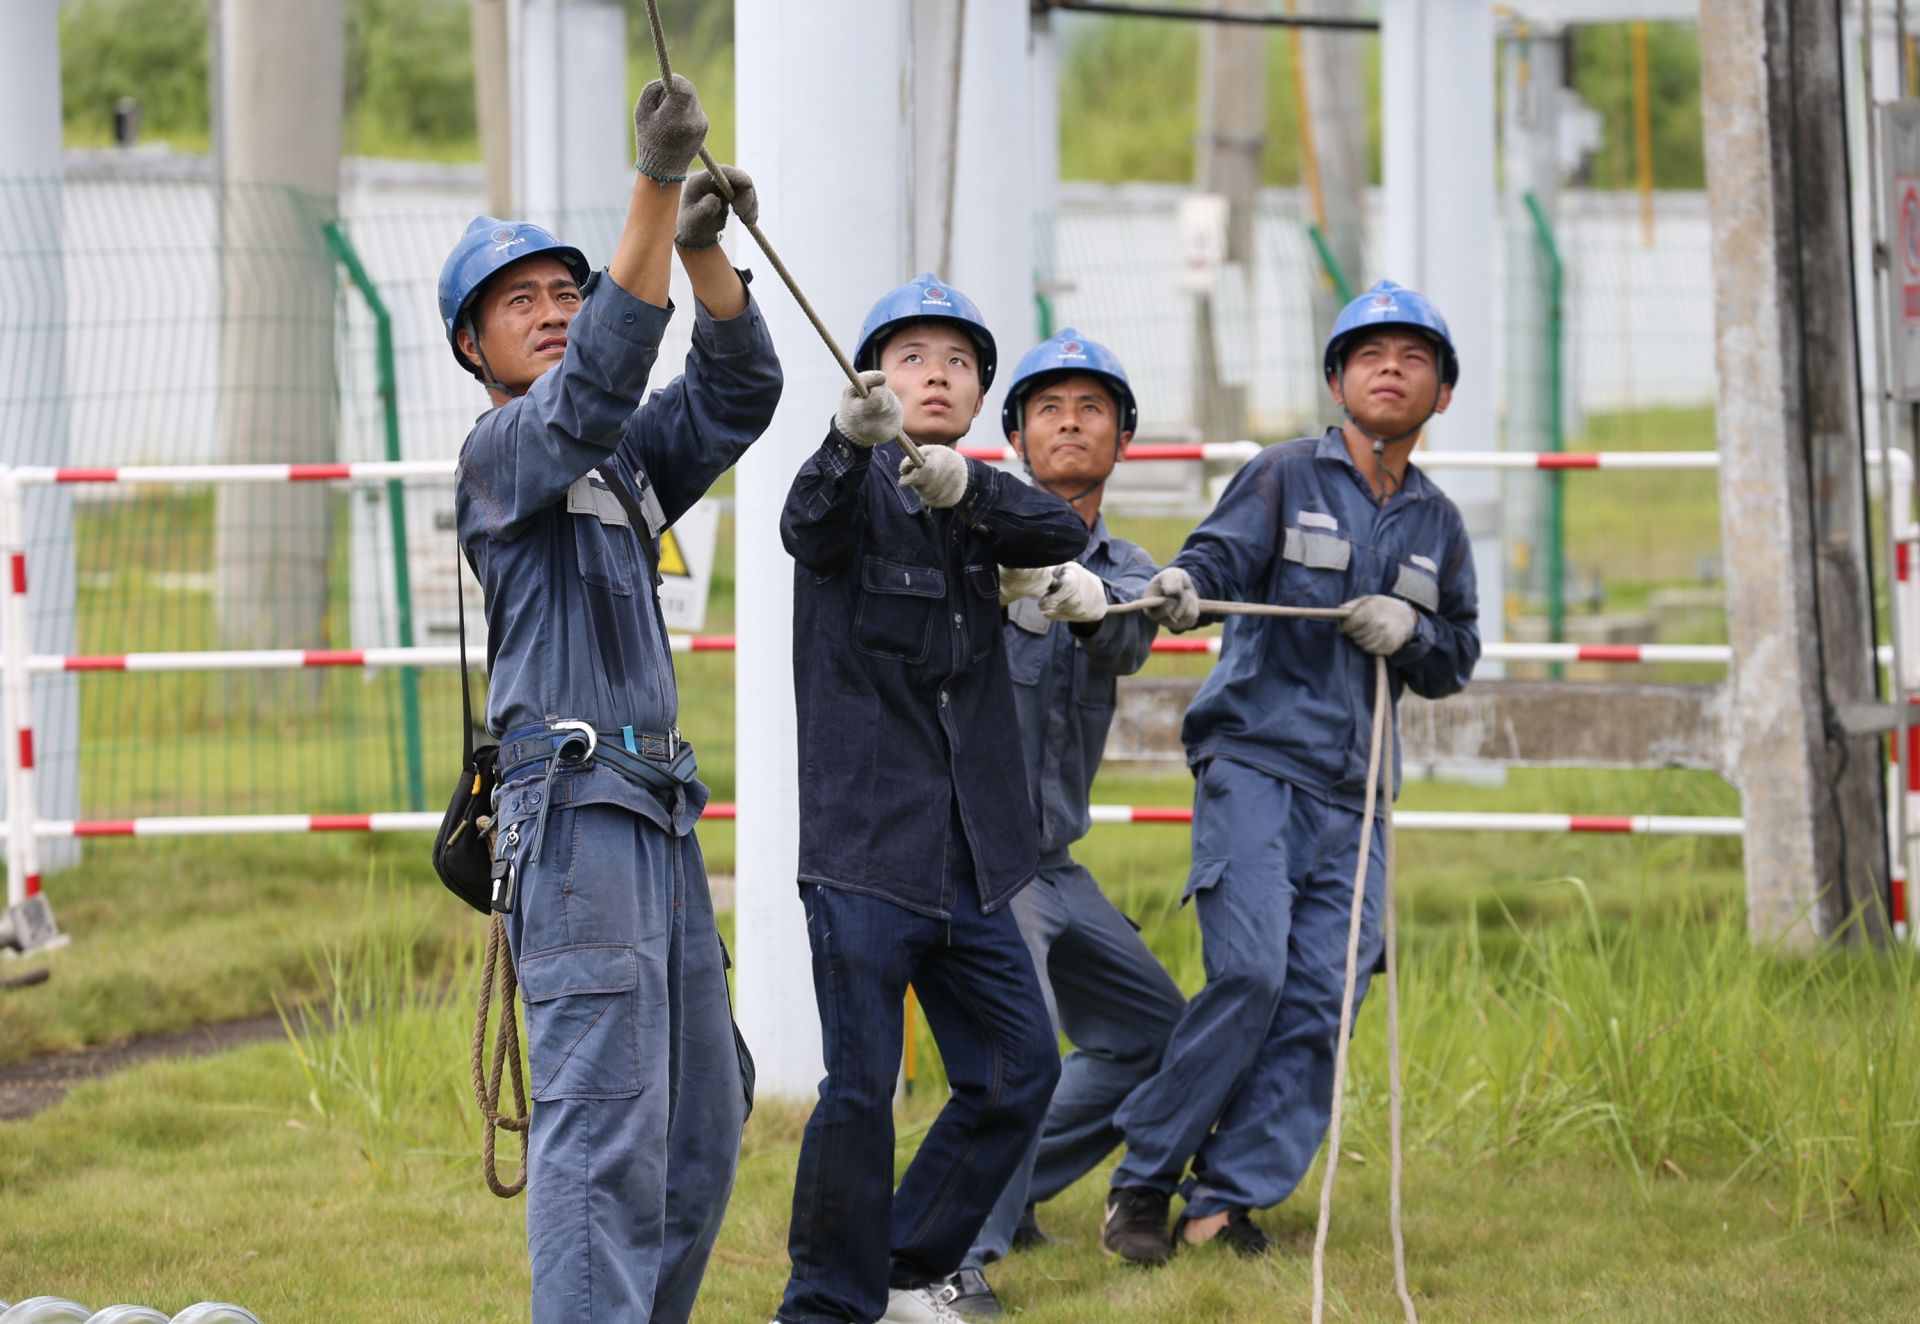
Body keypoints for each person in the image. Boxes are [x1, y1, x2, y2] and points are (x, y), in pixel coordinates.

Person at [446, 73, 781, 1323]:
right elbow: (594, 385)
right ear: (475, 347)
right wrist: (652, 184)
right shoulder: (505, 452)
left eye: (562, 291)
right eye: (515, 302)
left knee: (701, 1120)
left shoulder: (625, 460)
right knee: (601, 1136)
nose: (547, 311)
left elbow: (738, 394)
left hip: (655, 814)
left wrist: (698, 253)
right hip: (573, 813)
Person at [1100, 280, 1480, 1264]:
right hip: (1257, 766)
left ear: (1442, 393)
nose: (1390, 368)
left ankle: (1228, 1199)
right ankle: (1144, 1176)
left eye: (1413, 357)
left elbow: (1456, 654)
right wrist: (1182, 585)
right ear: (1335, 379)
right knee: (1254, 974)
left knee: (1321, 999)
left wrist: (1419, 629)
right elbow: (1216, 562)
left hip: (1358, 799)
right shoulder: (1280, 477)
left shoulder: (1439, 525)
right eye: (1370, 354)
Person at [773, 276, 1089, 1324]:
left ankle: (907, 1269)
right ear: (875, 380)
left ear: (978, 392)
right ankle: (822, 1307)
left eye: (958, 360)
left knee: (1016, 1073)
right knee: (860, 1092)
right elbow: (802, 523)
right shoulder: (846, 489)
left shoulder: (979, 503)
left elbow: (1059, 525)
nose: (937, 373)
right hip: (866, 852)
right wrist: (842, 440)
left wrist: (974, 490)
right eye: (912, 357)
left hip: (973, 856)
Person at [932, 329, 1186, 1318]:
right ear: (1016, 435)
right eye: (1049, 408)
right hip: (980, 854)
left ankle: (1018, 1181)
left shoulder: (1127, 565)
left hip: (1055, 858)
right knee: (1019, 1042)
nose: (1070, 422)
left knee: (1154, 1032)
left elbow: (1122, 642)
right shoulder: (972, 537)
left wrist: (1138, 599)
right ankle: (964, 1247)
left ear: (1124, 437)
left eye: (1091, 409)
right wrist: (1018, 575)